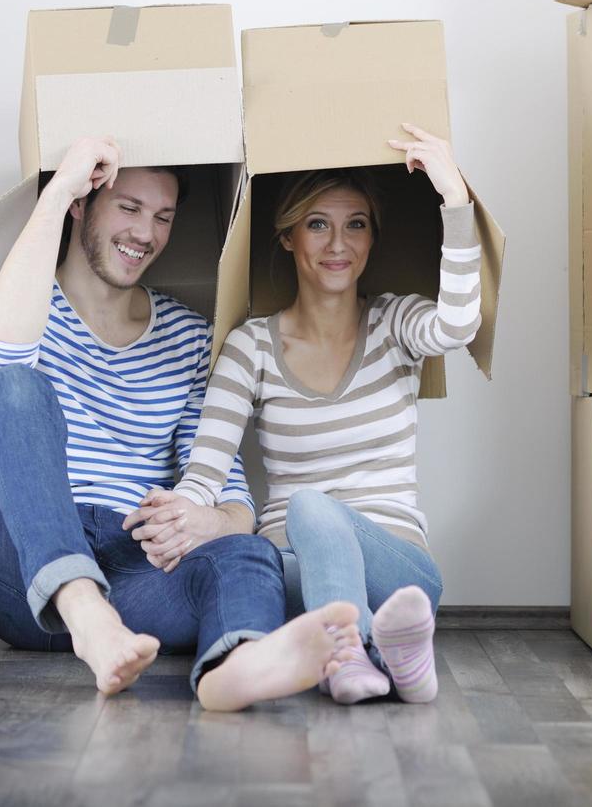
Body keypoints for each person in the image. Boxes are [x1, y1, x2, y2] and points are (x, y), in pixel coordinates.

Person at [0, 136, 360, 710]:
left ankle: (236, 667)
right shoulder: (6, 307)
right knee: (15, 386)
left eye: (163, 217)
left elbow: (236, 497)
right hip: (23, 577)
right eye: (129, 208)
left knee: (248, 554)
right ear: (81, 206)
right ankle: (81, 608)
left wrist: (209, 521)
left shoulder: (189, 336)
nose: (145, 234)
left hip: (132, 567)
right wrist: (59, 189)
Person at [135, 123, 482, 705]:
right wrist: (181, 514)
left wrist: (455, 199)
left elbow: (458, 325)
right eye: (318, 224)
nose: (337, 244)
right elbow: (207, 468)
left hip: (397, 570)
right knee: (274, 560)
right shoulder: (251, 347)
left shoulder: (395, 324)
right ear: (289, 237)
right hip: (295, 568)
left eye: (356, 225)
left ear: (373, 240)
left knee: (311, 506)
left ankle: (350, 652)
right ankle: (388, 653)